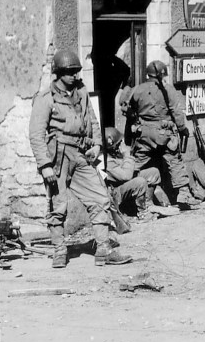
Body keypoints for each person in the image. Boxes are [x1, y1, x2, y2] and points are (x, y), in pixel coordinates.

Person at [28, 49, 132, 268]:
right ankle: (59, 251)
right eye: (69, 72)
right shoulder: (46, 98)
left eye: (76, 71)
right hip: (58, 157)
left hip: (82, 153)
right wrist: (45, 165)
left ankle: (104, 249)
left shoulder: (82, 92)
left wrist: (96, 144)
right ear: (58, 73)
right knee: (58, 205)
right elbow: (36, 134)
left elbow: (93, 120)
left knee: (100, 198)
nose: (74, 75)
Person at [122, 60, 200, 209]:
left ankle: (127, 191)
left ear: (147, 74)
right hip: (164, 134)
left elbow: (128, 111)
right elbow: (176, 113)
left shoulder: (136, 90)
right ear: (163, 74)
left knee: (137, 164)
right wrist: (182, 128)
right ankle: (184, 195)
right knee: (175, 162)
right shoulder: (168, 90)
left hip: (143, 134)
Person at [98, 127, 171, 219]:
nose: (121, 144)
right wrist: (127, 155)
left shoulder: (112, 155)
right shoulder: (103, 161)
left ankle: (149, 204)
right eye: (119, 143)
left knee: (153, 172)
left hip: (121, 185)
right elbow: (126, 176)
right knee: (139, 182)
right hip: (115, 193)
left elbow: (128, 169)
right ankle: (143, 213)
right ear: (112, 144)